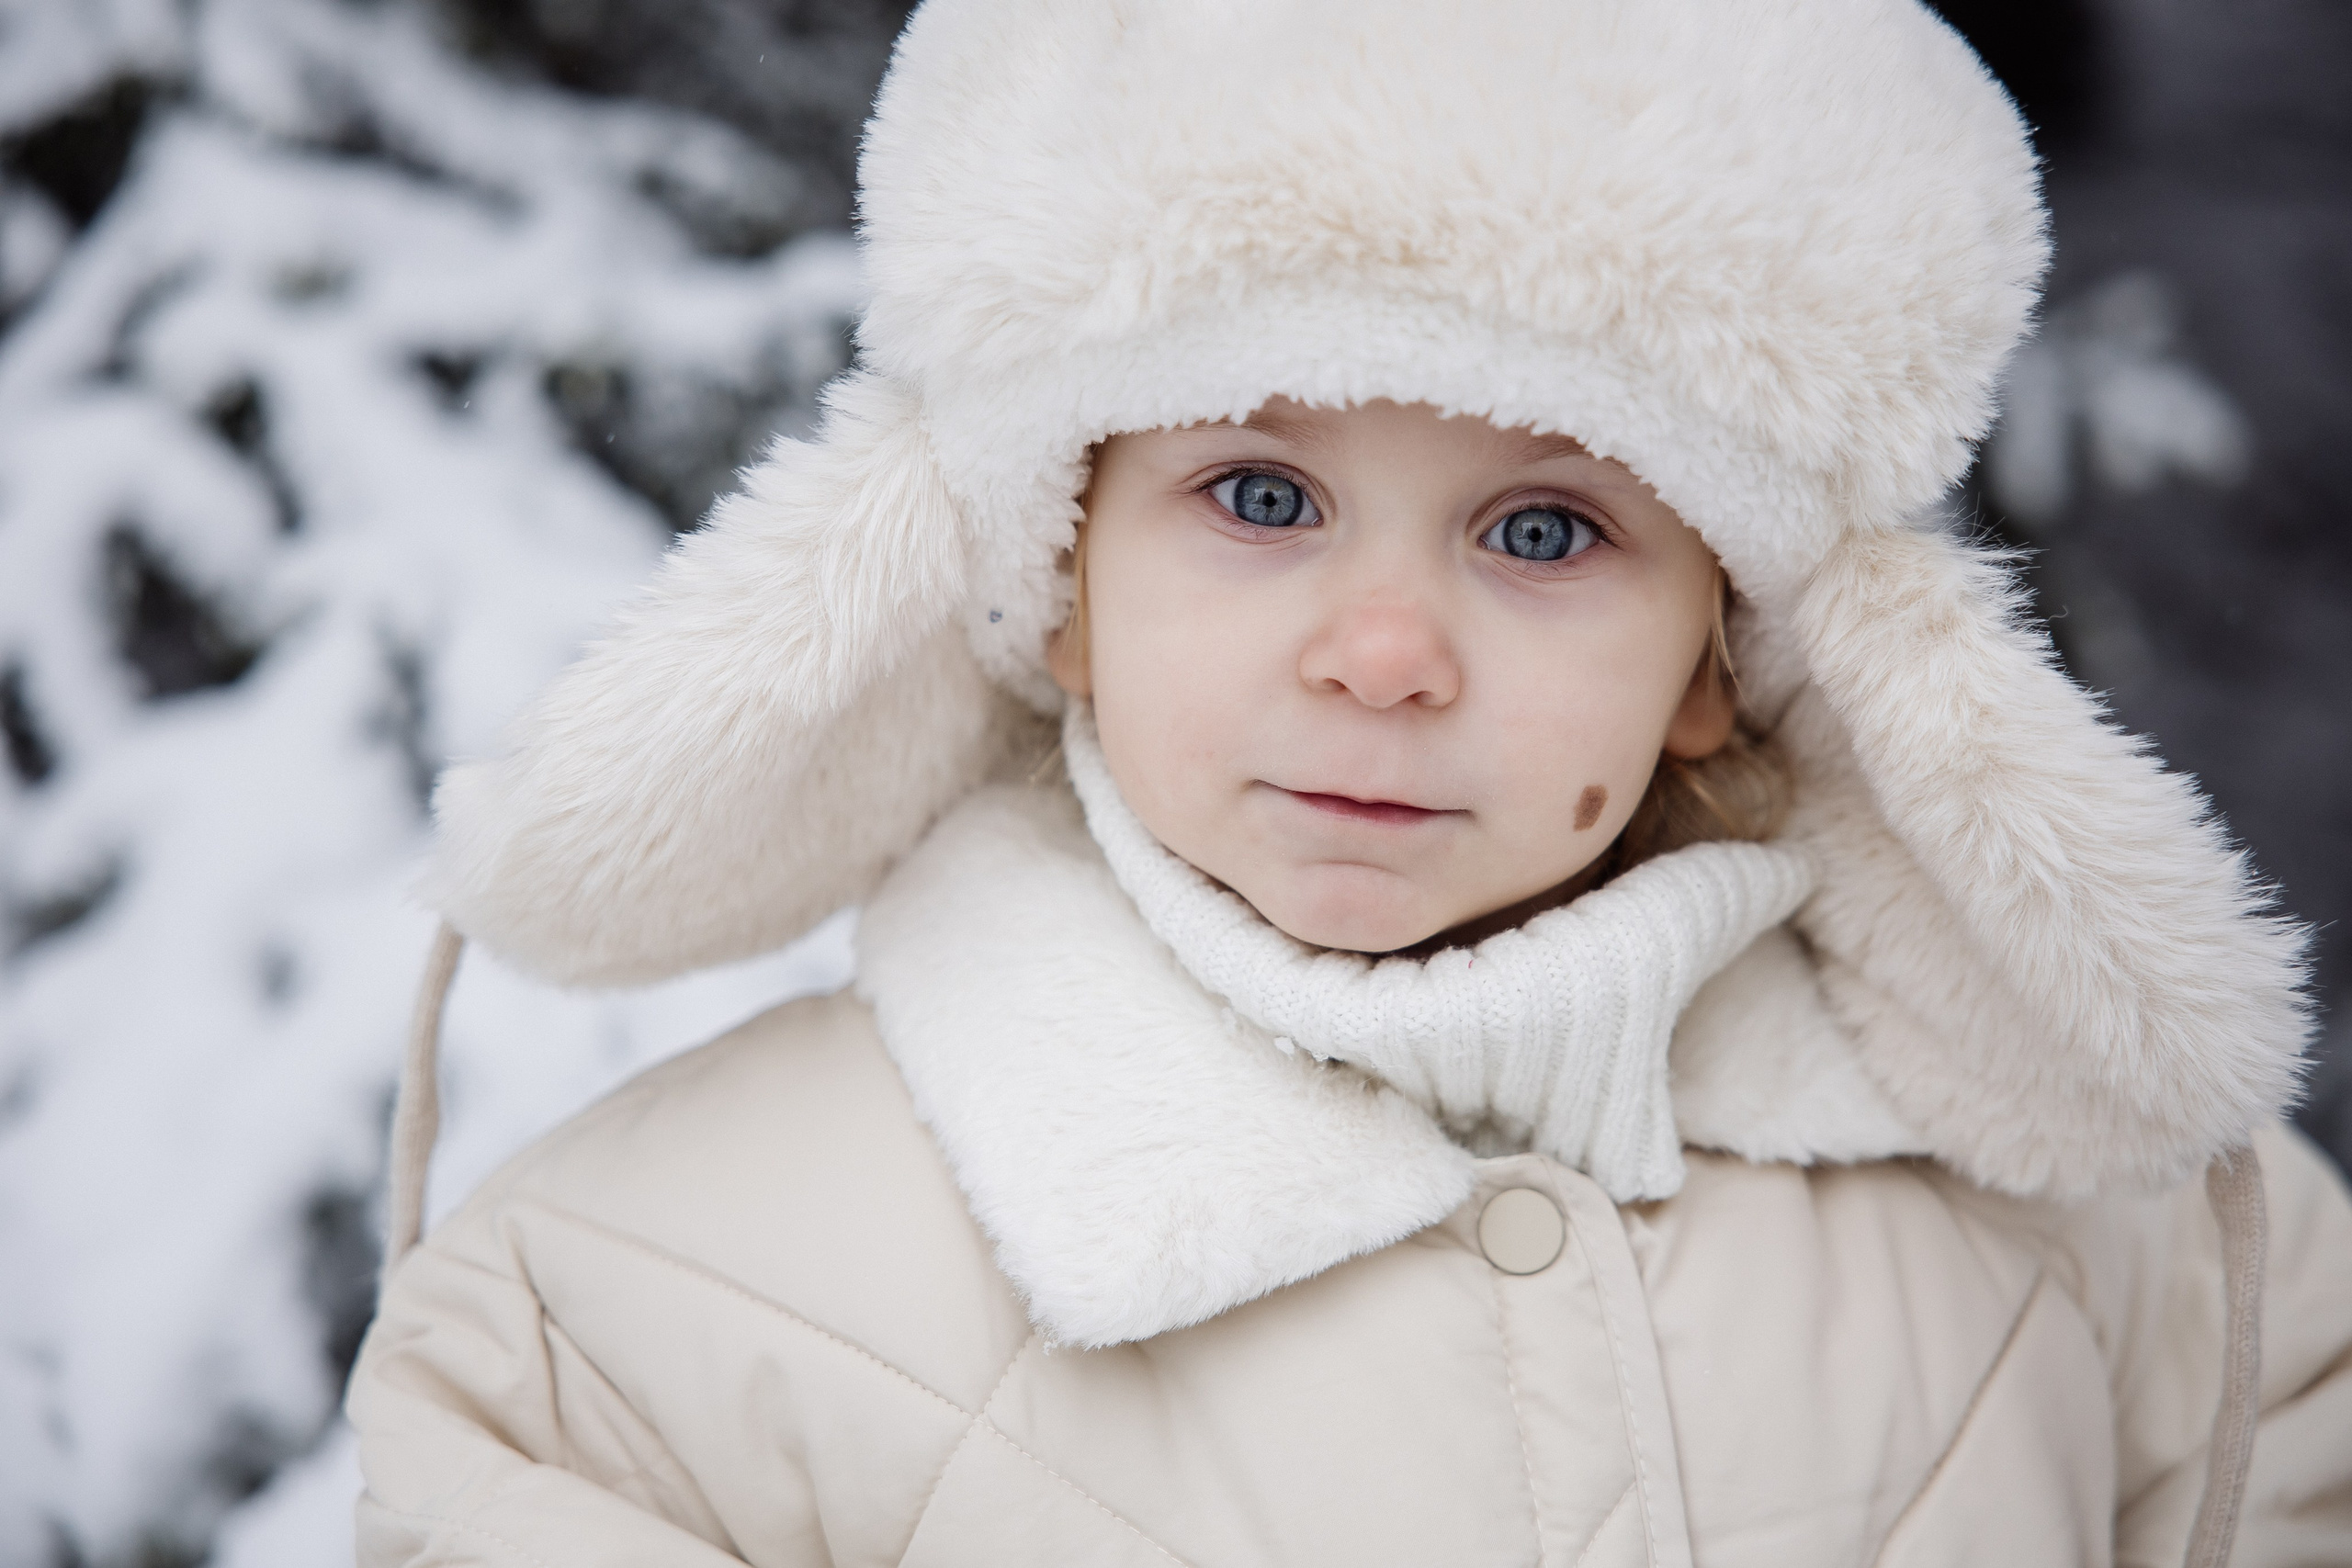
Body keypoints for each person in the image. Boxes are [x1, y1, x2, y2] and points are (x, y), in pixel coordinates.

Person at [346, 0, 2352, 1562]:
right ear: (1055, 581)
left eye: (1545, 533)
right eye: (1256, 493)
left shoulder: (2111, 1219)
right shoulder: (637, 1301)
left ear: (1718, 661)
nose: (1382, 652)